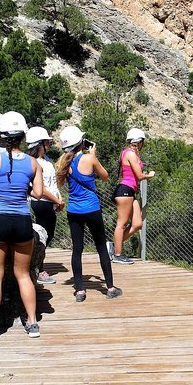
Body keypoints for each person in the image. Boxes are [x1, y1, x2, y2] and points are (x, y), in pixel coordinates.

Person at [0, 111, 43, 342]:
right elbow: (39, 193)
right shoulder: (33, 163)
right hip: (22, 221)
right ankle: (33, 324)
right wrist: (23, 187)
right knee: (23, 275)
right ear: (23, 136)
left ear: (2, 136)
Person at [56, 125, 120, 302]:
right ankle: (110, 287)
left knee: (77, 249)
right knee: (101, 246)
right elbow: (105, 176)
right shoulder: (89, 158)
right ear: (80, 142)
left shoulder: (64, 163)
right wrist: (94, 156)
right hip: (91, 208)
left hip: (73, 210)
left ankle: (80, 291)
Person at [109, 128, 155, 265]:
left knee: (137, 224)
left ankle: (113, 245)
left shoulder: (130, 153)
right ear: (138, 141)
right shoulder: (130, 154)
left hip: (130, 191)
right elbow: (140, 176)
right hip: (125, 190)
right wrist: (150, 175)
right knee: (122, 223)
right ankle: (117, 254)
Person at [26, 126, 64, 285]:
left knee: (49, 235)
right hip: (40, 202)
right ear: (38, 144)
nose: (49, 144)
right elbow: (39, 189)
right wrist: (56, 201)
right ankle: (38, 269)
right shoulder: (33, 162)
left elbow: (52, 184)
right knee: (43, 237)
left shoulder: (46, 160)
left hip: (50, 202)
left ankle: (35, 265)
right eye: (46, 142)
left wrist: (59, 198)